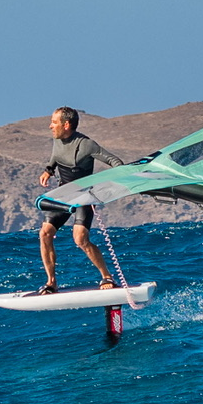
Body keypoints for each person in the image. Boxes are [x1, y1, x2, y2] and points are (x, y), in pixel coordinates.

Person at [37, 106, 124, 292]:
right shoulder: (58, 139)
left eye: (54, 122)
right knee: (45, 233)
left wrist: (116, 181)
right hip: (64, 193)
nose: (50, 126)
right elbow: (56, 156)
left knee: (80, 239)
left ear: (66, 124)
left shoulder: (86, 145)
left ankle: (106, 277)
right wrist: (49, 170)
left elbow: (115, 161)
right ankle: (51, 282)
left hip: (84, 196)